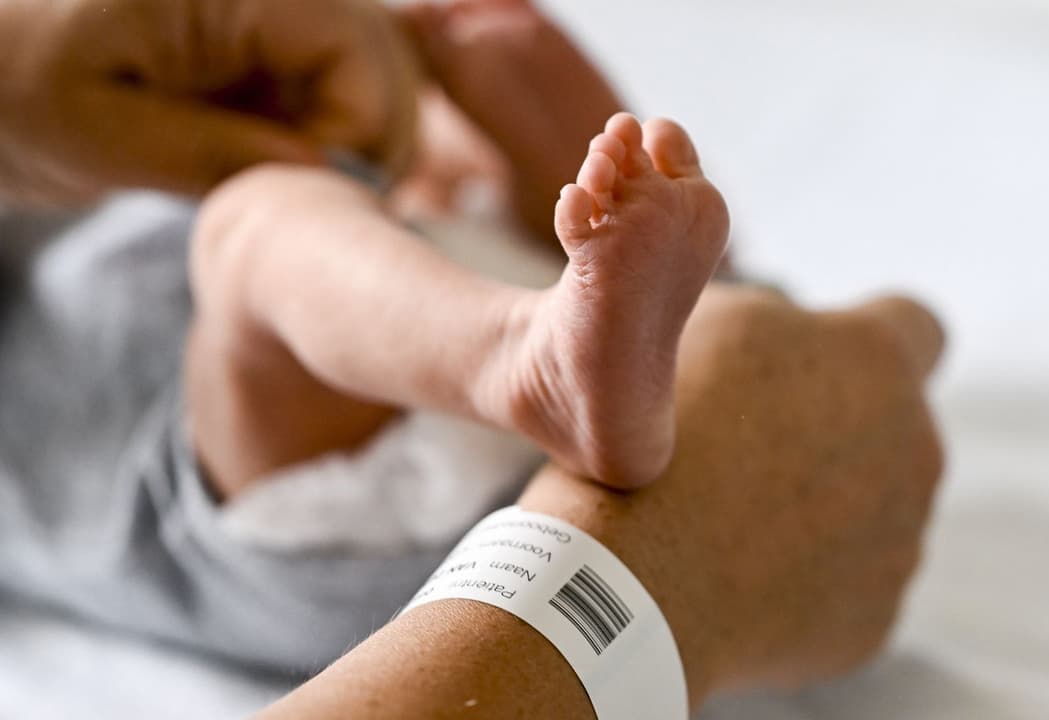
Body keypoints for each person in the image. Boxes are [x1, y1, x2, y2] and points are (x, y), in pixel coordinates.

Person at [0, 0, 946, 715]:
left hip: (453, 324)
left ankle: (610, 308)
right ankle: (537, 353)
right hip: (246, 489)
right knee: (258, 222)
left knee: (395, 141)